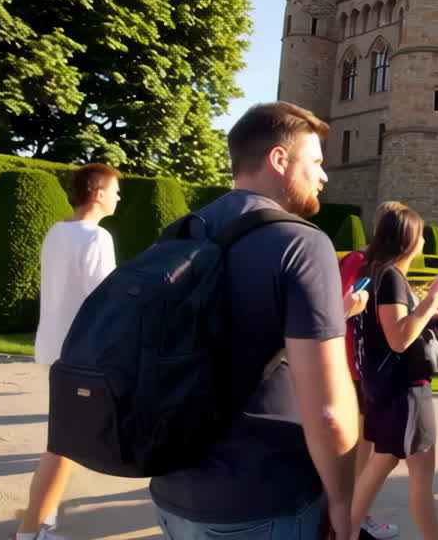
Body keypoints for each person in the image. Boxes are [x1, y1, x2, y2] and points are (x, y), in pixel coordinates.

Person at [149, 102, 361, 540]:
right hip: (265, 496)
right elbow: (328, 412)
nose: (324, 176)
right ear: (279, 160)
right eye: (316, 162)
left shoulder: (181, 232)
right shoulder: (300, 243)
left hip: (173, 491)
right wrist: (342, 503)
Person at [10, 164, 121, 540]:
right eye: (115, 190)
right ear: (98, 193)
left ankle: (40, 519)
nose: (119, 197)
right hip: (81, 354)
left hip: (53, 347)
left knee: (65, 441)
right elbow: (105, 300)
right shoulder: (97, 238)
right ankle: (31, 531)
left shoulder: (57, 232)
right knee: (64, 447)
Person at [348, 204, 438, 540]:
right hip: (405, 392)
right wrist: (435, 297)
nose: (424, 240)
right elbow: (399, 338)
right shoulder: (391, 276)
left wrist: (429, 314)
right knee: (419, 477)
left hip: (388, 391)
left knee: (383, 463)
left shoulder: (379, 272)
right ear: (409, 240)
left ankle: (344, 530)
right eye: (421, 234)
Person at [339, 202, 408, 540]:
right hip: (352, 365)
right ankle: (355, 518)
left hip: (365, 367)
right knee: (359, 447)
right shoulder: (359, 261)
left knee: (362, 445)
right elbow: (339, 305)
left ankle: (352, 515)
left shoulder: (384, 267)